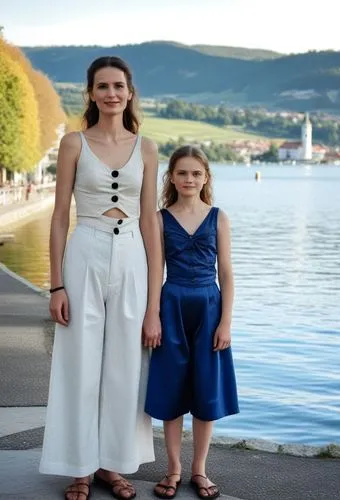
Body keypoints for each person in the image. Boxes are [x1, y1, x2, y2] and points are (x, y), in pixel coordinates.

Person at [39, 56, 163, 500]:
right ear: (91, 93)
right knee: (79, 361)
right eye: (102, 86)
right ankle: (79, 467)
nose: (111, 93)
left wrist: (154, 304)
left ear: (130, 93)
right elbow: (58, 218)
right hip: (85, 250)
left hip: (132, 253)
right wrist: (56, 285)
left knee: (126, 366)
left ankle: (113, 464)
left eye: (119, 86)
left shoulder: (146, 148)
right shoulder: (73, 143)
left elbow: (150, 221)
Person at [145, 145, 239, 499]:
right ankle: (173, 469)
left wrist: (226, 322)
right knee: (171, 388)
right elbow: (156, 271)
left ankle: (199, 469)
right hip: (171, 305)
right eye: (182, 173)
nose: (189, 179)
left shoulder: (219, 217)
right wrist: (152, 313)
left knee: (205, 387)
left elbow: (227, 274)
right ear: (171, 177)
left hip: (209, 307)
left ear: (206, 178)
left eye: (196, 173)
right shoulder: (159, 218)